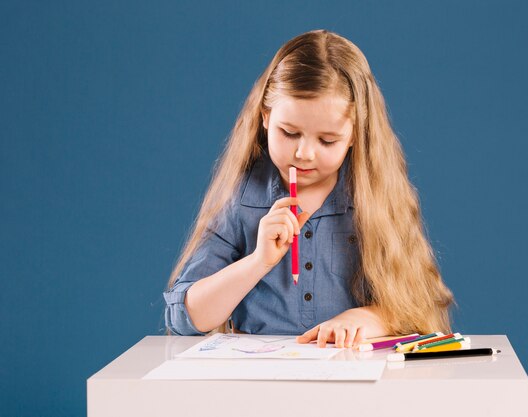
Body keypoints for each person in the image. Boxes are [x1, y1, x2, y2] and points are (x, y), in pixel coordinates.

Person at [164, 29, 454, 348]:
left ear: (356, 134)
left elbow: (417, 310)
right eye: (289, 133)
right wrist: (259, 260)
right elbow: (184, 319)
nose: (304, 153)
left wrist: (364, 319)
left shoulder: (375, 200)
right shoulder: (242, 199)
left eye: (327, 140)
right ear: (265, 117)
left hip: (352, 383)